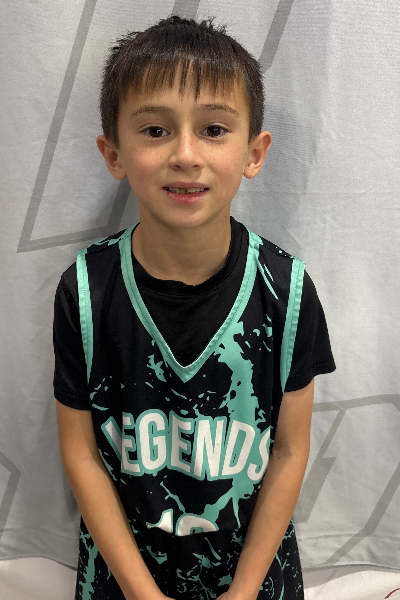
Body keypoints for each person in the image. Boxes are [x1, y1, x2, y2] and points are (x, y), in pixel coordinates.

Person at [53, 15, 335, 600]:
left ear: (254, 152)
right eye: (155, 130)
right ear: (114, 154)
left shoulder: (287, 291)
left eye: (213, 129)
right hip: (123, 577)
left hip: (254, 576)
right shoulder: (86, 290)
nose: (185, 154)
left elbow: (289, 451)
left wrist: (244, 591)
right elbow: (81, 455)